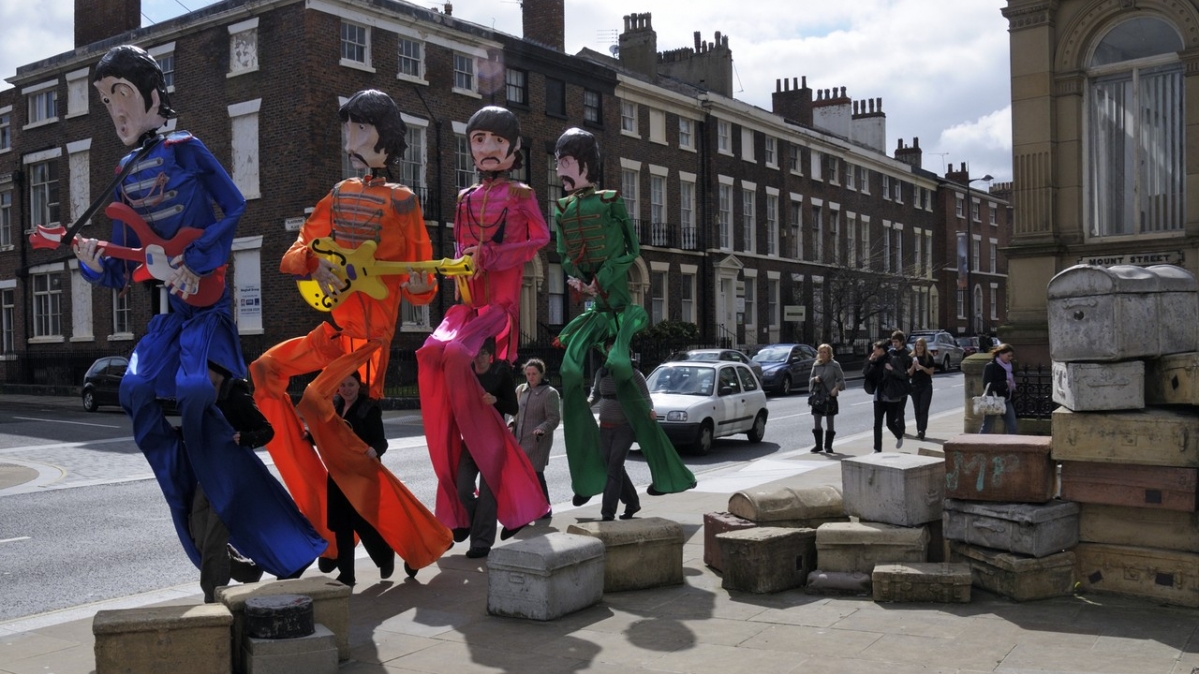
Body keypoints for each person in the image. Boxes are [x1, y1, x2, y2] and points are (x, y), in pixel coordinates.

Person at [74, 44, 326, 581]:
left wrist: (197, 256)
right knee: (134, 391)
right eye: (105, 100)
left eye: (121, 93)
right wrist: (94, 264)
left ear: (152, 96)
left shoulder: (186, 148)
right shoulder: (123, 172)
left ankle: (259, 533)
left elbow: (234, 205)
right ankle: (199, 517)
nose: (115, 109)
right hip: (168, 316)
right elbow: (122, 269)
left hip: (207, 308)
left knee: (194, 395)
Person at [251, 89, 451, 577]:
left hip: (369, 346)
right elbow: (293, 253)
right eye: (348, 128)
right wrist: (313, 262)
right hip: (335, 330)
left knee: (324, 414)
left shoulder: (403, 202)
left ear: (385, 135)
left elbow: (423, 286)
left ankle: (404, 539)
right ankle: (323, 517)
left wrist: (421, 283)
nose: (350, 138)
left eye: (360, 128)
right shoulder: (339, 193)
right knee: (264, 370)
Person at [418, 106, 550, 541]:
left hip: (498, 309)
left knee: (457, 353)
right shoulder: (464, 197)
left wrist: (495, 254)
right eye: (479, 140)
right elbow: (460, 248)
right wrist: (452, 267)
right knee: (430, 353)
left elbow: (540, 238)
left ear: (513, 148)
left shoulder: (521, 194)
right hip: (467, 305)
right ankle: (457, 506)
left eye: (497, 140)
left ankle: (499, 490)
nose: (488, 148)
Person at [552, 127, 695, 505]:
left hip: (621, 311)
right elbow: (564, 253)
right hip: (598, 312)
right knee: (569, 370)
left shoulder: (610, 201)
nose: (560, 171)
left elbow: (630, 250)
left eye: (565, 162)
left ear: (585, 165)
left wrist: (601, 279)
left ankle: (667, 473)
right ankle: (587, 476)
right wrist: (579, 280)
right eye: (558, 163)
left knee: (619, 366)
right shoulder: (561, 209)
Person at [324, 371, 398, 586]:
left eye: (351, 384)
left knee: (361, 521)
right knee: (341, 524)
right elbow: (327, 435)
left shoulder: (368, 408)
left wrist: (375, 450)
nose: (346, 389)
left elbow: (381, 441)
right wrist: (310, 436)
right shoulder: (334, 406)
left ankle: (385, 555)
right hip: (339, 472)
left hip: (361, 474)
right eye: (342, 385)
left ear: (359, 386)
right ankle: (346, 575)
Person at [458, 340, 520, 558]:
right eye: (476, 353)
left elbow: (513, 407)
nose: (479, 357)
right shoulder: (466, 374)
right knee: (462, 488)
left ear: (490, 355)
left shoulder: (500, 375)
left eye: (484, 353)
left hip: (493, 440)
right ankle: (477, 522)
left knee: (487, 493)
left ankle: (481, 542)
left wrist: (495, 400)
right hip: (471, 440)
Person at [588, 341, 649, 521]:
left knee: (614, 468)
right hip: (605, 426)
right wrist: (588, 402)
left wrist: (650, 410)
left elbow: (646, 397)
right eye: (608, 351)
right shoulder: (602, 372)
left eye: (614, 350)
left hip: (625, 426)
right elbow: (595, 393)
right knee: (613, 467)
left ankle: (607, 512)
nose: (611, 354)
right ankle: (632, 503)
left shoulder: (634, 374)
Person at [513, 358, 561, 519]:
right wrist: (511, 424)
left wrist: (542, 428)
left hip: (538, 441)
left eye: (534, 374)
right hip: (520, 439)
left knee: (535, 473)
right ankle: (531, 508)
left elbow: (554, 418)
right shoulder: (521, 390)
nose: (531, 377)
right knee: (524, 475)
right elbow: (515, 413)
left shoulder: (550, 393)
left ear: (541, 374)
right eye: (528, 374)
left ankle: (544, 508)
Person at [807, 344, 845, 454]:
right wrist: (814, 379)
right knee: (817, 422)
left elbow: (841, 380)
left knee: (830, 422)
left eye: (825, 352)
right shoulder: (816, 365)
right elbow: (810, 379)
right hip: (818, 397)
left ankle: (828, 446)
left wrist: (836, 388)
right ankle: (818, 445)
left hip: (830, 397)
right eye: (820, 352)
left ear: (829, 354)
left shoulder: (835, 365)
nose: (822, 354)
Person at [980, 343, 1019, 434]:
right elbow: (987, 385)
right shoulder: (991, 366)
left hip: (1006, 399)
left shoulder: (1010, 366)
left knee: (1013, 426)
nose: (1010, 358)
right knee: (987, 426)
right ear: (1000, 354)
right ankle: (979, 442)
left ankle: (1011, 443)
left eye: (1011, 356)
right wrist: (1004, 384)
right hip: (993, 400)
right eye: (1008, 355)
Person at [908, 337, 936, 440]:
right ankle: (918, 430)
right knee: (917, 409)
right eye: (917, 345)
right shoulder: (911, 357)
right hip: (914, 386)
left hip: (926, 386)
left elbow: (931, 372)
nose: (919, 347)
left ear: (924, 347)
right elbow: (909, 373)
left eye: (921, 345)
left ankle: (922, 430)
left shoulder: (928, 357)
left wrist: (922, 368)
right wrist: (913, 366)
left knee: (924, 409)